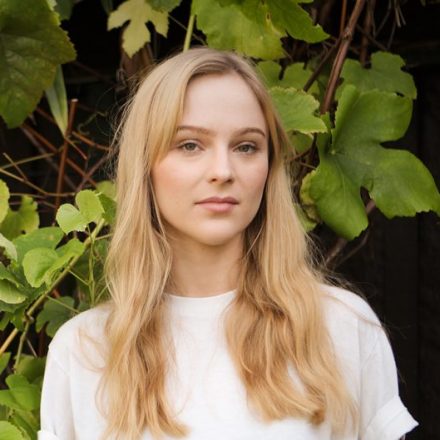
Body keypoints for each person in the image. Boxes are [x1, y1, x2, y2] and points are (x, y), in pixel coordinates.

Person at [38, 47, 417, 440]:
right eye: (190, 145)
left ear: (269, 167)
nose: (222, 171)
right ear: (145, 165)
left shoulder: (339, 327)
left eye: (246, 146)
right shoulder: (84, 350)